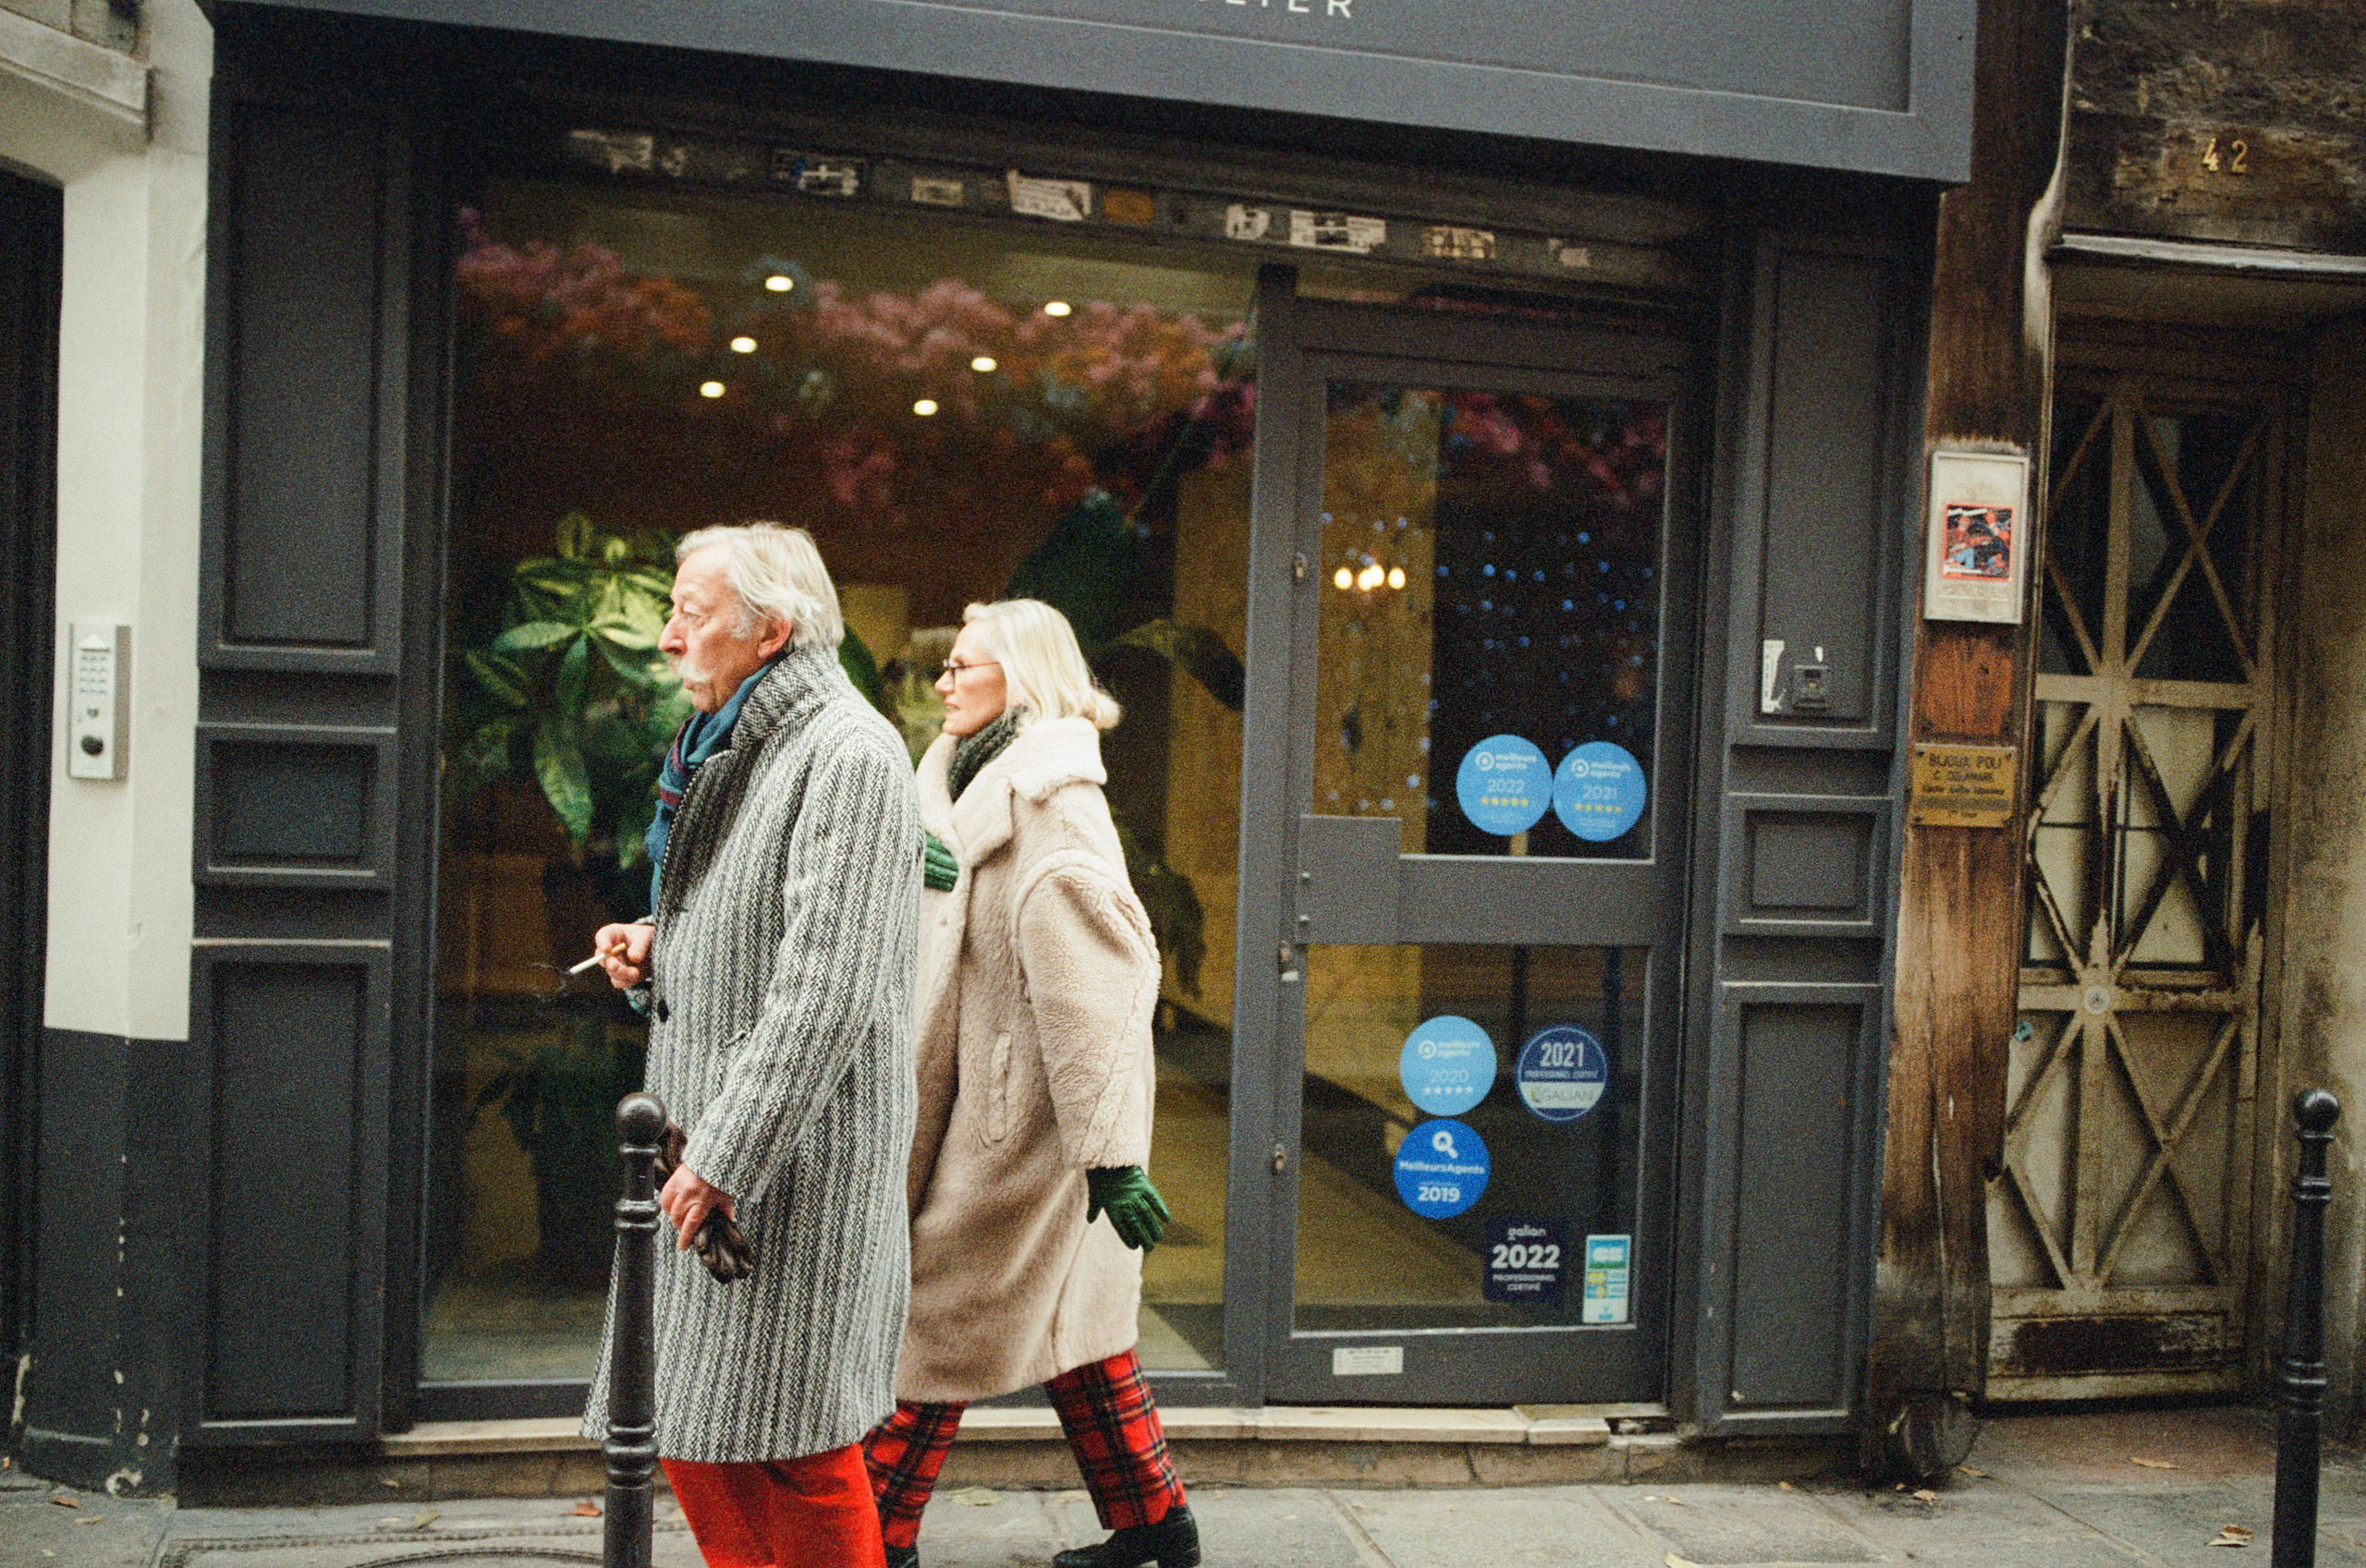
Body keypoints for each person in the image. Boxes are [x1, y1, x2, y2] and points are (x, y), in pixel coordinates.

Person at [582, 521, 924, 1568]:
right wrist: (662, 942)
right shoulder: (743, 743)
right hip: (711, 1158)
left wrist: (726, 1156)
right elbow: (766, 925)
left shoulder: (850, 754)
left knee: (794, 1446)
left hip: (781, 1167)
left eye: (692, 615)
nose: (668, 640)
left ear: (771, 632)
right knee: (692, 1431)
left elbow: (828, 988)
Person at [863, 599, 1200, 1568]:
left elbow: (1094, 991)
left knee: (933, 1320)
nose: (944, 679)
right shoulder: (954, 785)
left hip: (1027, 1125)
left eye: (965, 665)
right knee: (1079, 1331)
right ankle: (1153, 1528)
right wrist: (904, 859)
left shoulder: (1053, 804)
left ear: (1022, 676)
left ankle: (873, 1540)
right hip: (975, 1102)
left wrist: (1111, 1158)